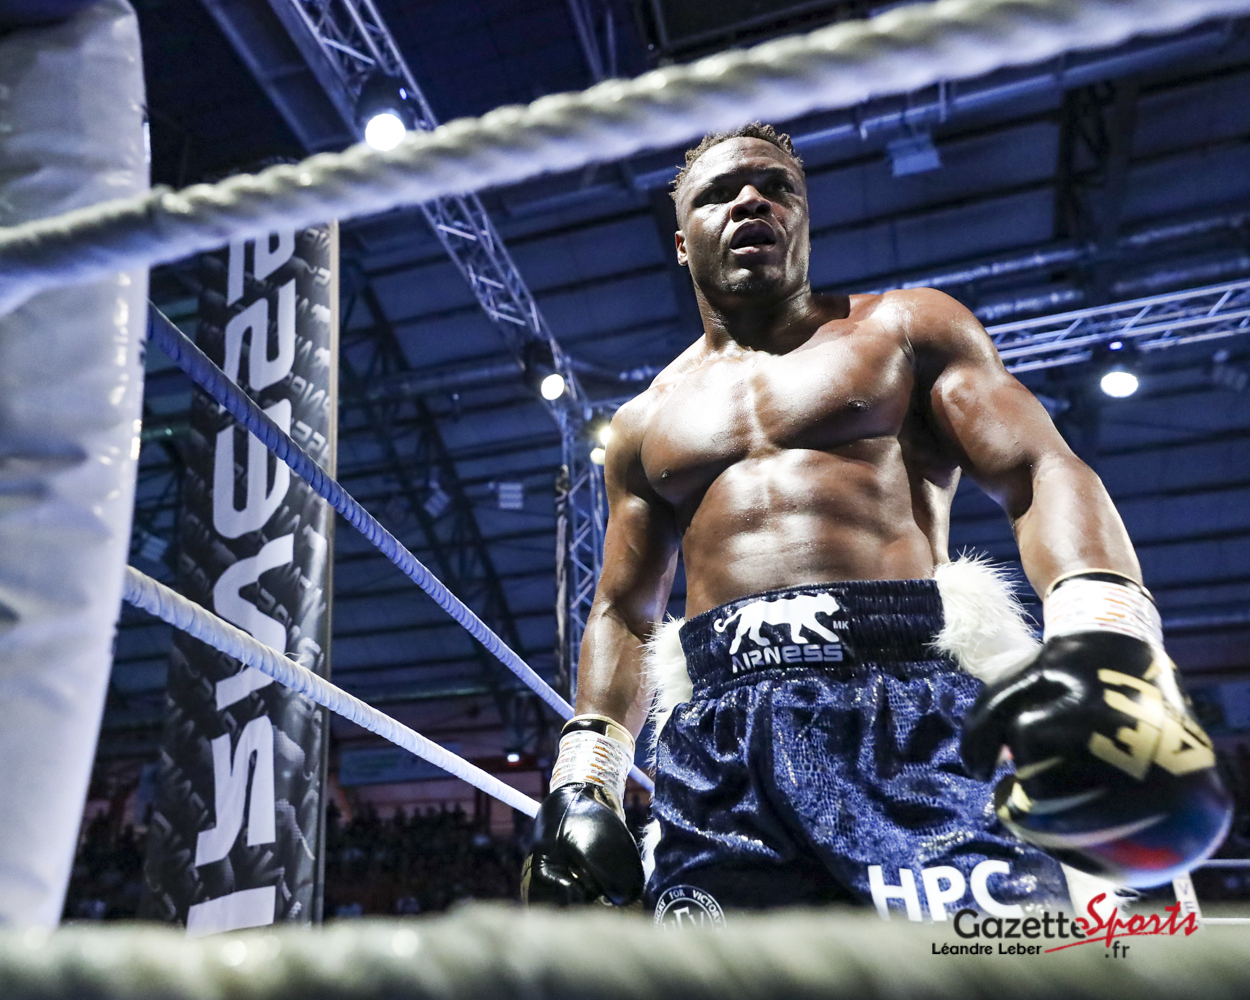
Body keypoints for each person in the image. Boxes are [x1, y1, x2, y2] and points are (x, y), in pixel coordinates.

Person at [522, 123, 1231, 921]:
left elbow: (1040, 469)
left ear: (803, 217)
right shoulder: (643, 422)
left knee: (981, 966)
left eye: (776, 186)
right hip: (722, 742)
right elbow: (624, 609)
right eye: (719, 193)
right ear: (682, 242)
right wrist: (585, 780)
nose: (751, 199)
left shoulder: (904, 329)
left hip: (906, 704)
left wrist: (1103, 639)